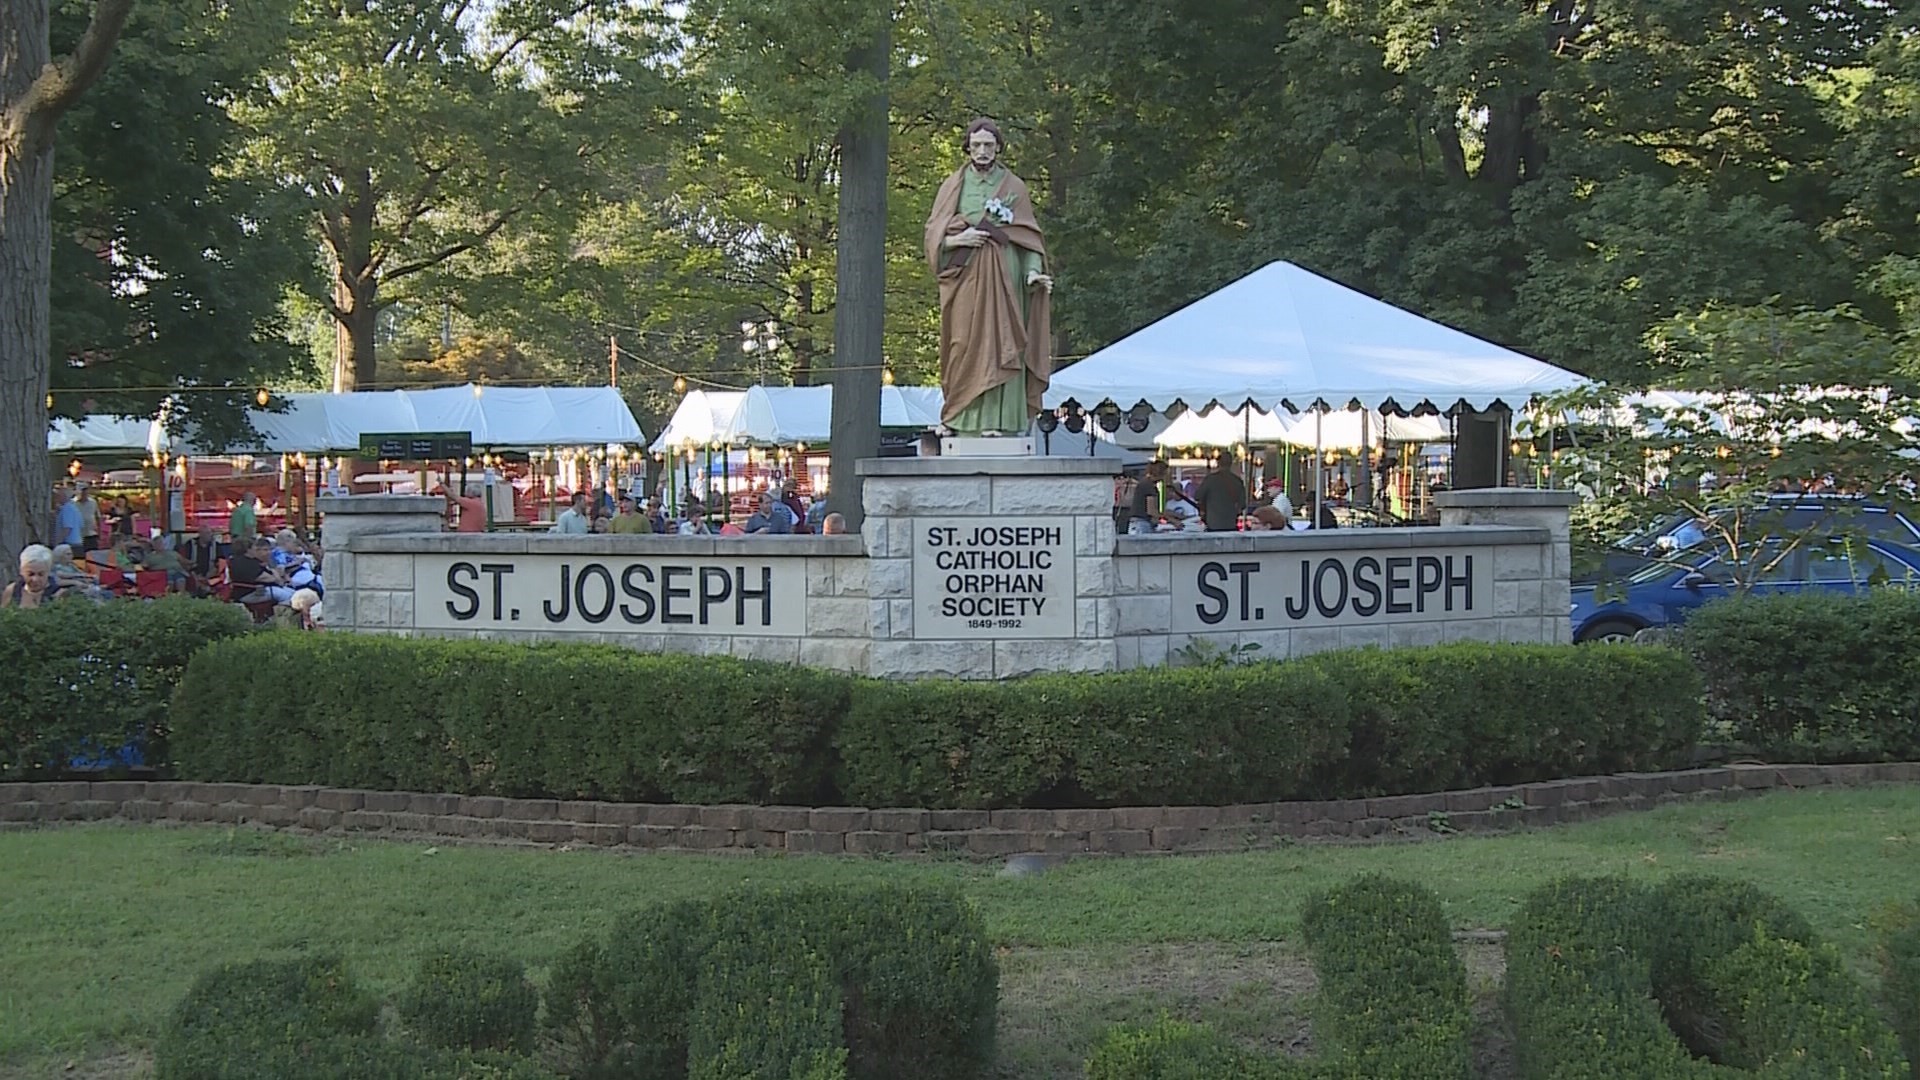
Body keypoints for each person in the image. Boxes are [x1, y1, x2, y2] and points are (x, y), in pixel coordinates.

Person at [924, 117, 1053, 435]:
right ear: (967, 148)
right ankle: (958, 418)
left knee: (1003, 343)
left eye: (989, 145)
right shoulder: (952, 184)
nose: (982, 151)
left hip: (1005, 276)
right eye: (977, 145)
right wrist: (958, 240)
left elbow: (1028, 238)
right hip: (965, 276)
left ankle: (1000, 422)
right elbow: (933, 235)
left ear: (998, 148)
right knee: (963, 342)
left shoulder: (1015, 187)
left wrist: (1033, 273)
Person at [230, 536, 294, 605]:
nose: (256, 549)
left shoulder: (245, 560)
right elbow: (270, 579)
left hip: (259, 590)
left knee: (293, 593)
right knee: (289, 597)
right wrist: (274, 574)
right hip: (250, 593)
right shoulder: (244, 563)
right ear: (248, 550)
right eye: (254, 547)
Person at [1194, 458, 1247, 532]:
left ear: (1218, 463)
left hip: (1213, 523)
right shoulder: (1237, 481)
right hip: (1230, 523)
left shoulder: (1210, 479)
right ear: (1230, 464)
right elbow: (1242, 504)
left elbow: (1198, 496)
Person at [1127, 462, 1168, 535]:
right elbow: (1151, 511)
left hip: (1138, 523)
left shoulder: (1146, 483)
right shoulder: (1148, 485)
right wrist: (1171, 520)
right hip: (1141, 524)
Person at [75, 484, 101, 553]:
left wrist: (99, 532)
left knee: (92, 554)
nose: (84, 493)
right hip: (78, 535)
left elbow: (97, 516)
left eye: (85, 491)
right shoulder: (73, 503)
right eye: (82, 491)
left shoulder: (93, 502)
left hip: (91, 534)